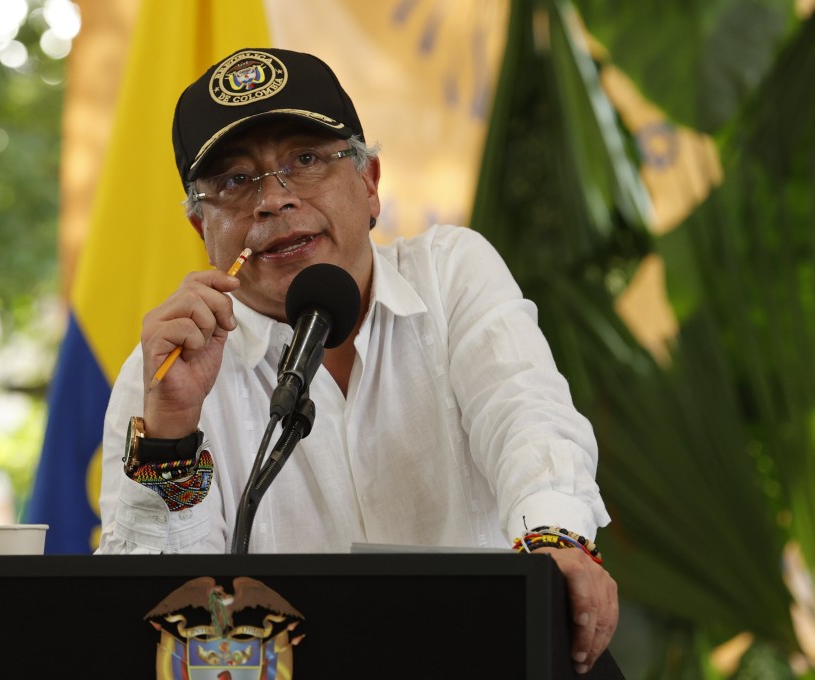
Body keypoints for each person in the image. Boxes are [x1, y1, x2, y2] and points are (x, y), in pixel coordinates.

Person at [97, 47, 618, 673]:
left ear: (370, 184)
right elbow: (161, 620)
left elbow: (526, 414)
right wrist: (171, 434)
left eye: (305, 160)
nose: (272, 201)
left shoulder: (449, 273)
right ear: (201, 232)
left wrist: (555, 541)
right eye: (235, 182)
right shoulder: (166, 370)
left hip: (484, 654)